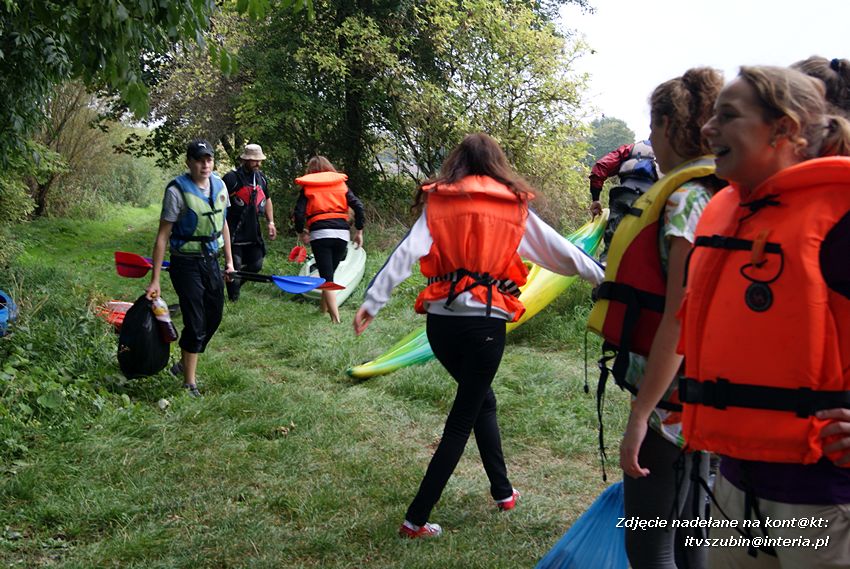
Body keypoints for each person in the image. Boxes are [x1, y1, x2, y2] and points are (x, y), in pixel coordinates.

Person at [353, 132, 605, 538]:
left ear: (458, 164)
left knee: (482, 399)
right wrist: (602, 277)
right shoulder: (512, 207)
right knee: (462, 418)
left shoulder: (440, 200)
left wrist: (372, 302)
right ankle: (415, 519)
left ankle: (503, 492)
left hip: (441, 326)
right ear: (496, 165)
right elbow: (561, 251)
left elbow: (404, 253)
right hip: (484, 326)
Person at [678, 65, 850, 568]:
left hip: (824, 495)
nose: (708, 129)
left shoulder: (838, 217)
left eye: (728, 116)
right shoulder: (728, 211)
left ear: (784, 129)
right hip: (735, 483)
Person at [604, 68, 724, 569]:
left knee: (650, 545)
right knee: (694, 537)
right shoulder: (726, 193)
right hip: (715, 391)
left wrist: (640, 415)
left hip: (671, 399)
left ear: (673, 125)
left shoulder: (685, 200)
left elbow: (678, 318)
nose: (650, 140)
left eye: (653, 128)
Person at [145, 139, 235, 397]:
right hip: (185, 263)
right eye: (199, 159)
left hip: (211, 261)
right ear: (189, 163)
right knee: (195, 321)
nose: (205, 164)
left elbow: (223, 225)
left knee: (214, 315)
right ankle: (189, 382)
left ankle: (186, 359)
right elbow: (162, 236)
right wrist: (155, 280)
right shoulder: (176, 191)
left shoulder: (220, 186)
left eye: (209, 159)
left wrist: (229, 262)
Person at [293, 156, 365, 323]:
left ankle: (336, 320)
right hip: (342, 235)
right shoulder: (341, 185)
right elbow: (358, 207)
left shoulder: (308, 187)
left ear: (310, 171)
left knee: (327, 279)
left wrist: (300, 231)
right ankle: (323, 310)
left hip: (320, 235)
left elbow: (298, 213)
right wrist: (359, 231)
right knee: (329, 274)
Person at [222, 143, 276, 302]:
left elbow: (267, 199)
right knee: (235, 267)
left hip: (253, 232)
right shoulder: (231, 178)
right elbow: (220, 201)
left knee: (256, 265)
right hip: (234, 232)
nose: (258, 163)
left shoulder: (261, 178)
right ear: (245, 160)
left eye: (260, 160)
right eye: (254, 160)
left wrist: (270, 222)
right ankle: (233, 300)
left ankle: (236, 284)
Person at [589, 139, 660, 259]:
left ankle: (606, 262)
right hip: (651, 202)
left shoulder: (630, 149)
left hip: (623, 195)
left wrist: (596, 199)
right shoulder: (673, 156)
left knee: (611, 246)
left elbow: (600, 168)